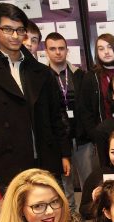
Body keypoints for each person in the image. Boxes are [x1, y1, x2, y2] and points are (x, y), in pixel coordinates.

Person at [0, 3, 70, 196]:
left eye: (20, 30)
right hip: (7, 160)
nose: (15, 36)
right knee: (19, 218)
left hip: (46, 156)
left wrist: (64, 153)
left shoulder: (42, 72)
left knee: (53, 211)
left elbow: (57, 115)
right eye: (8, 29)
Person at [44, 32, 97, 212]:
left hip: (82, 139)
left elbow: (88, 107)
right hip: (59, 141)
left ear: (67, 50)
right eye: (53, 48)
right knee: (64, 187)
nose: (58, 52)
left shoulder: (80, 75)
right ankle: (70, 221)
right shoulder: (42, 77)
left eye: (61, 48)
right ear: (46, 51)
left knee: (89, 182)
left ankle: (92, 217)